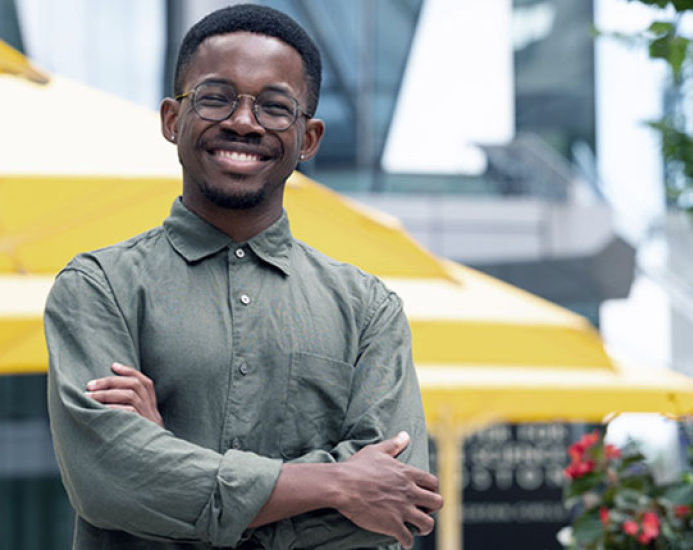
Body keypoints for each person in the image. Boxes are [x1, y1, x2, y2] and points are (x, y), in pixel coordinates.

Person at [44, 4, 442, 549]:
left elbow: (398, 502)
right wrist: (336, 482)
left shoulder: (368, 308)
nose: (243, 121)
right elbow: (108, 480)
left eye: (277, 107)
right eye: (215, 98)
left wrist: (170, 462)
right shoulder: (98, 287)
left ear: (309, 138)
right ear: (171, 119)